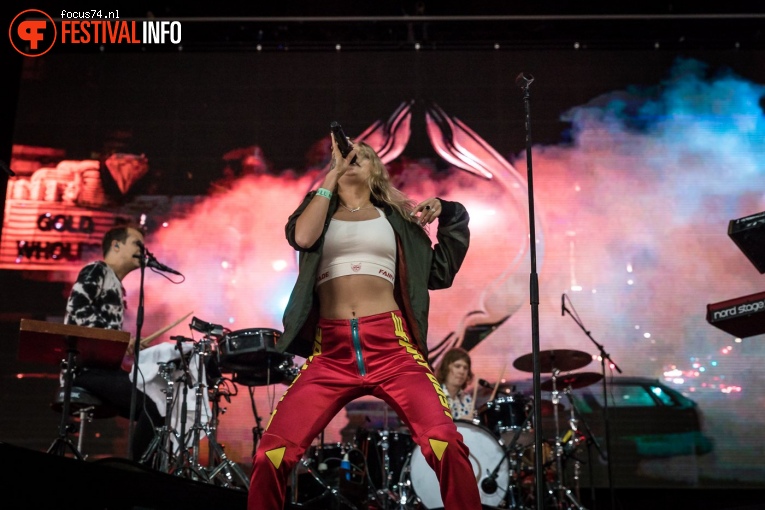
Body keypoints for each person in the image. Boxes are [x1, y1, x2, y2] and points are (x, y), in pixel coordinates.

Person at [247, 131, 482, 509]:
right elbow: (302, 238)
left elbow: (440, 273)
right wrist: (330, 175)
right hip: (330, 355)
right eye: (345, 155)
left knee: (446, 444)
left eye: (362, 155)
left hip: (392, 350)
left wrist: (451, 213)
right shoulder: (318, 213)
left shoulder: (399, 221)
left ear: (376, 172)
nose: (352, 158)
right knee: (270, 455)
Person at [64, 224, 162, 461]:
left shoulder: (117, 285)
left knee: (160, 402)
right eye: (137, 244)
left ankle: (149, 465)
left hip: (104, 370)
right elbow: (76, 312)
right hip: (85, 370)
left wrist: (122, 343)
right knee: (156, 405)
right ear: (116, 245)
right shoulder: (95, 270)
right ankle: (142, 469)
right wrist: (118, 338)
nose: (144, 250)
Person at [435, 347, 477, 421]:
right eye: (457, 366)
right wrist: (460, 423)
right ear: (446, 368)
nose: (462, 371)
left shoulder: (467, 399)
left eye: (465, 368)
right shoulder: (433, 394)